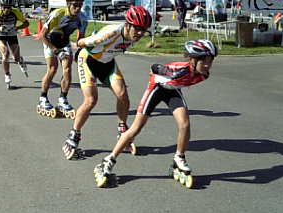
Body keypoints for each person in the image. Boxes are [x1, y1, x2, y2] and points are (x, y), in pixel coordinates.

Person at [93, 39, 218, 187]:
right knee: (135, 129)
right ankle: (108, 160)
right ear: (192, 60)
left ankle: (179, 158)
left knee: (184, 124)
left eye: (210, 62)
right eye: (204, 62)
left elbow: (179, 83)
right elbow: (153, 67)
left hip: (171, 90)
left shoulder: (203, 74)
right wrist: (162, 71)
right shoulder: (179, 71)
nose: (207, 66)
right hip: (157, 89)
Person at [62, 5, 151, 160]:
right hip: (88, 60)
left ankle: (122, 128)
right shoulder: (111, 33)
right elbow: (82, 43)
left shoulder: (133, 35)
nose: (140, 34)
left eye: (143, 30)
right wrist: (80, 44)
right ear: (128, 24)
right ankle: (74, 135)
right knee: (91, 100)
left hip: (107, 63)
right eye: (137, 29)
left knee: (123, 94)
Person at [38, 0, 88, 118]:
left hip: (64, 42)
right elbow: (42, 35)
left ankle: (63, 99)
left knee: (67, 70)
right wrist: (55, 50)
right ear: (68, 4)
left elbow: (80, 39)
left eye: (80, 5)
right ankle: (43, 98)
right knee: (52, 69)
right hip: (50, 41)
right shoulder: (57, 14)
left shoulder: (82, 18)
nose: (77, 8)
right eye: (74, 5)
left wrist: (84, 48)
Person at [0, 0, 30, 89]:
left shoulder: (15, 12)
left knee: (16, 58)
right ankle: (7, 74)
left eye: (9, 7)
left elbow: (27, 23)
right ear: (0, 6)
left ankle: (20, 60)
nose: (7, 9)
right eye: (5, 7)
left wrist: (17, 27)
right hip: (0, 35)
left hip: (12, 35)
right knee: (5, 53)